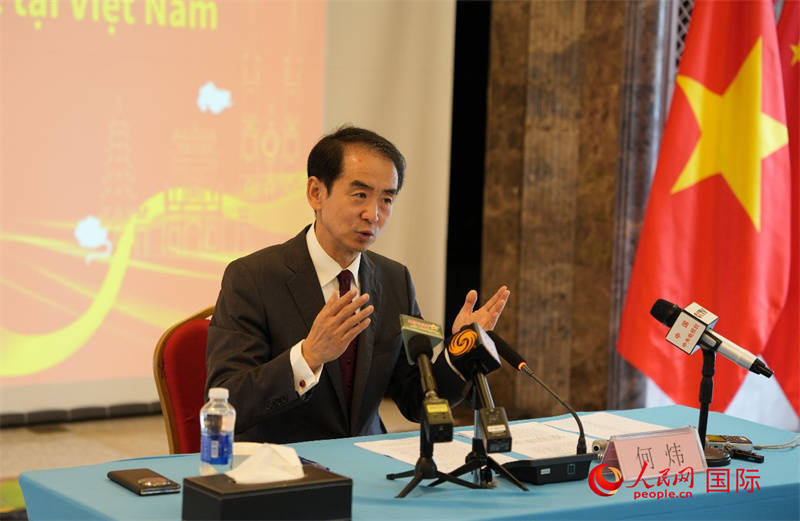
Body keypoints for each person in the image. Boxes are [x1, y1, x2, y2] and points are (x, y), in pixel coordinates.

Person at [205, 126, 509, 444]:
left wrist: (461, 349)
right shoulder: (252, 278)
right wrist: (308, 356)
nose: (373, 214)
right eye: (360, 195)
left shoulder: (395, 280)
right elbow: (229, 399)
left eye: (386, 199)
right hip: (283, 462)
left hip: (368, 457)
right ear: (316, 193)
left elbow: (415, 400)